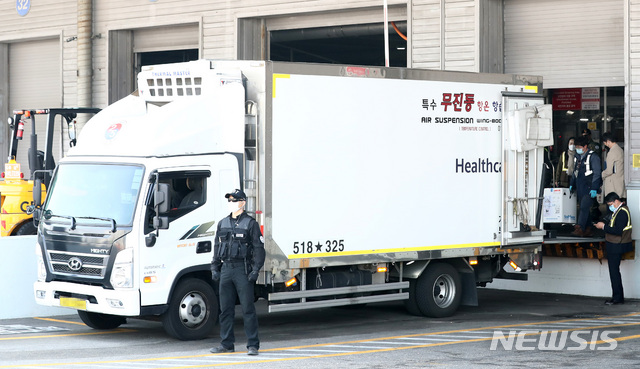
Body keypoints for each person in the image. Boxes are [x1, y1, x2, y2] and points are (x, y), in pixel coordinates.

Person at [210, 189, 265, 356]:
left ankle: (253, 345)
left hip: (242, 269)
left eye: (235, 200)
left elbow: (259, 250)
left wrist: (255, 270)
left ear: (243, 202)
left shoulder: (250, 224)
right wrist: (214, 267)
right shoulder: (222, 223)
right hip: (226, 268)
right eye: (230, 200)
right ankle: (226, 344)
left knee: (248, 308)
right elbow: (217, 248)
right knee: (225, 309)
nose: (231, 203)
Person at [595, 192, 633, 305]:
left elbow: (617, 230)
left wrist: (603, 227)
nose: (610, 206)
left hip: (617, 245)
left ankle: (617, 298)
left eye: (610, 204)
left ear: (616, 201)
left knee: (614, 272)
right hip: (615, 245)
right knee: (614, 272)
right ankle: (617, 296)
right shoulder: (618, 211)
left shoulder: (622, 212)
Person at [569, 136, 602, 237]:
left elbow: (597, 173)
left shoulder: (593, 157)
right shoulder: (577, 157)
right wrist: (572, 184)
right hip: (580, 186)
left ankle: (580, 228)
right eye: (576, 147)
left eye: (579, 147)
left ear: (585, 146)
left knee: (583, 207)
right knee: (584, 207)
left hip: (589, 187)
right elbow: (575, 172)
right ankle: (588, 229)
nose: (577, 149)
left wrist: (594, 188)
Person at [601, 132, 625, 199]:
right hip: (619, 182)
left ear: (608, 141)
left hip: (613, 184)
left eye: (604, 142)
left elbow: (609, 170)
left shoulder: (612, 152)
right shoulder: (620, 150)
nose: (605, 144)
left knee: (612, 204)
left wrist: (602, 175)